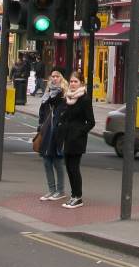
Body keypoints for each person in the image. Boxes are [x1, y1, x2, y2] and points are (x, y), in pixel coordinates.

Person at [56, 72, 95, 209]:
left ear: (81, 83)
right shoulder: (68, 98)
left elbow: (91, 122)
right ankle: (73, 196)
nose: (72, 84)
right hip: (67, 137)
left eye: (76, 81)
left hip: (77, 139)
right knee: (68, 167)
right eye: (71, 81)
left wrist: (79, 132)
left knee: (74, 168)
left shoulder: (84, 99)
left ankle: (78, 197)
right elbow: (65, 116)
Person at [37, 69, 67, 201]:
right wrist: (40, 125)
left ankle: (60, 191)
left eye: (57, 76)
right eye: (53, 76)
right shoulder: (47, 93)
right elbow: (42, 111)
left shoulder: (63, 94)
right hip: (47, 130)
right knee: (46, 161)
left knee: (57, 162)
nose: (54, 78)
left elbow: (63, 112)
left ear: (61, 78)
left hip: (57, 131)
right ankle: (51, 190)